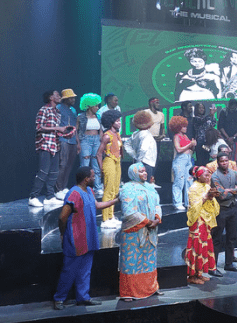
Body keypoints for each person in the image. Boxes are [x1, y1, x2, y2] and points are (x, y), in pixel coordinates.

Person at [52, 167, 119, 310]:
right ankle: (59, 299)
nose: (95, 178)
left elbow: (97, 205)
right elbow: (62, 217)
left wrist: (116, 200)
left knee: (85, 270)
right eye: (93, 176)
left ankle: (83, 297)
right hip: (76, 239)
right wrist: (63, 234)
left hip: (89, 238)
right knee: (69, 270)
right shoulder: (74, 194)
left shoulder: (89, 190)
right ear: (86, 179)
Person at [118, 163, 162, 301]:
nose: (145, 173)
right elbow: (129, 212)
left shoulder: (150, 187)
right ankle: (128, 292)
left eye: (145, 171)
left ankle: (151, 287)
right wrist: (147, 222)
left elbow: (157, 205)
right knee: (132, 261)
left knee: (149, 260)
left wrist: (157, 219)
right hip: (134, 231)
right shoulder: (127, 188)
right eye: (141, 171)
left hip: (151, 230)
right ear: (134, 173)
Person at [210, 153, 237, 275]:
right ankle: (213, 267)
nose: (224, 163)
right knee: (217, 238)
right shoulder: (215, 176)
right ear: (218, 162)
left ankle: (229, 263)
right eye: (222, 161)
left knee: (231, 237)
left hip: (233, 208)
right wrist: (235, 191)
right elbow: (221, 195)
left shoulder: (234, 173)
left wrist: (230, 190)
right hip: (221, 209)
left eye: (226, 161)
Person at [185, 166, 220, 285]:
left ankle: (199, 273)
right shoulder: (193, 188)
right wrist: (206, 197)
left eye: (209, 175)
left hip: (205, 220)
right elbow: (194, 206)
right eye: (206, 175)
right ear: (198, 176)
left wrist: (211, 197)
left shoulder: (207, 186)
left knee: (204, 245)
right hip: (197, 220)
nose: (208, 177)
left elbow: (212, 204)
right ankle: (192, 275)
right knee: (196, 245)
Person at [96, 110, 123, 229]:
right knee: (108, 191)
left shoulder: (117, 134)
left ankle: (111, 216)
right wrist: (102, 169)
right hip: (109, 162)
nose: (119, 123)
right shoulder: (107, 136)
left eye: (119, 120)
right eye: (117, 121)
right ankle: (105, 219)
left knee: (115, 190)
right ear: (111, 122)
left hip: (117, 162)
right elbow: (98, 154)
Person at [77, 92, 104, 198]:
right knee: (85, 164)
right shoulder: (80, 117)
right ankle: (82, 187)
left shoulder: (98, 116)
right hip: (85, 140)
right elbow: (76, 131)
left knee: (96, 164)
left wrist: (102, 142)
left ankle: (97, 187)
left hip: (97, 140)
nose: (97, 107)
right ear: (89, 105)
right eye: (95, 105)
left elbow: (100, 130)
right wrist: (78, 143)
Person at [124, 111, 158, 191]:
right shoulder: (146, 134)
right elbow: (143, 149)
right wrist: (139, 160)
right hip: (146, 162)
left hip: (141, 161)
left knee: (138, 185)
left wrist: (134, 155)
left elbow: (126, 144)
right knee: (145, 186)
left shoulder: (135, 134)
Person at [55, 89, 78, 200]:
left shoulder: (73, 110)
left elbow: (75, 127)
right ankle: (58, 189)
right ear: (66, 99)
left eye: (74, 98)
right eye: (71, 98)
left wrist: (78, 142)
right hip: (63, 139)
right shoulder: (58, 108)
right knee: (62, 164)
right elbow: (55, 124)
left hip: (72, 140)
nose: (73, 100)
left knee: (69, 165)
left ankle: (64, 187)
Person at [169, 116, 196, 210]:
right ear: (178, 127)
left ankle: (188, 202)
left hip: (188, 159)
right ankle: (177, 203)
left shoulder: (185, 136)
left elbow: (191, 148)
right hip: (180, 160)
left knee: (189, 181)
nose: (185, 128)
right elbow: (178, 149)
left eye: (185, 126)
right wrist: (190, 144)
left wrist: (193, 145)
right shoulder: (176, 136)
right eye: (183, 126)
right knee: (179, 182)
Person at [144, 98, 165, 188]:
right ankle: (146, 180)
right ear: (151, 103)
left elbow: (162, 127)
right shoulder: (146, 113)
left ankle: (152, 180)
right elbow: (141, 125)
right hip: (147, 140)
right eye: (156, 102)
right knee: (147, 160)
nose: (158, 104)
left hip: (157, 140)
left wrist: (162, 135)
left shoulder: (161, 114)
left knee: (155, 160)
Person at [218, 99, 237, 163]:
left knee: (234, 156)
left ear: (236, 105)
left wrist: (234, 137)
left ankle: (233, 168)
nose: (232, 108)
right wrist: (227, 137)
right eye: (231, 106)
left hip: (235, 139)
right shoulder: (223, 112)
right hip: (224, 139)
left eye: (234, 106)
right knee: (224, 155)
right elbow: (220, 126)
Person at [192, 102, 217, 167]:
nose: (201, 109)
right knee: (200, 160)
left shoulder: (207, 117)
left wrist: (213, 115)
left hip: (207, 143)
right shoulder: (195, 118)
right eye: (200, 108)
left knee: (207, 159)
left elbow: (213, 124)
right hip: (200, 143)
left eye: (203, 108)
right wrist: (210, 115)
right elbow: (202, 120)